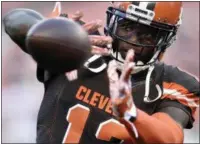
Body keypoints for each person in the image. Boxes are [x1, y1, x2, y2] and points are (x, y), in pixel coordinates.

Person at [3, 1, 199, 143]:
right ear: (112, 22)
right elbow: (13, 21)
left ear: (165, 41)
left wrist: (130, 113)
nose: (132, 41)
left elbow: (170, 137)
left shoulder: (173, 83)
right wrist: (57, 35)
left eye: (147, 35)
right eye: (127, 27)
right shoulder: (73, 41)